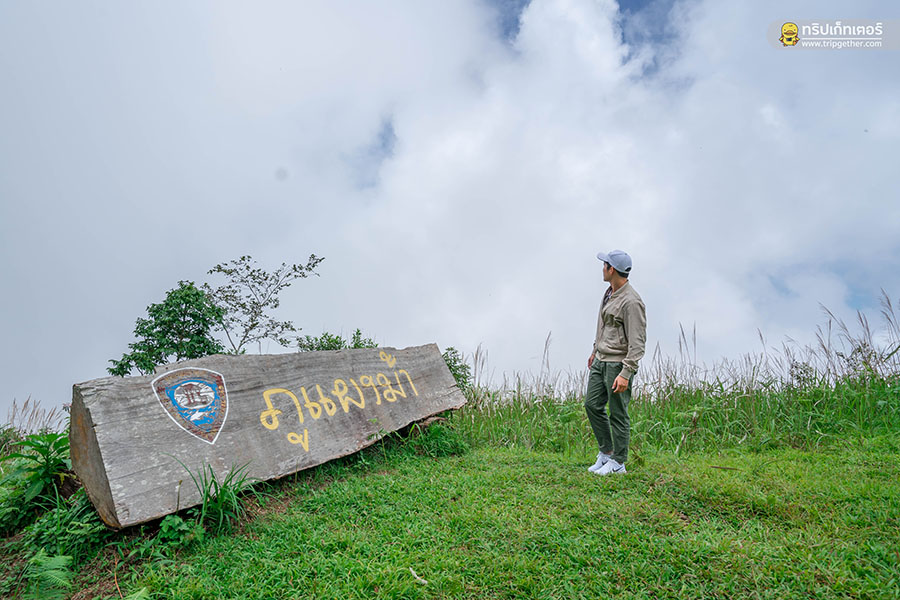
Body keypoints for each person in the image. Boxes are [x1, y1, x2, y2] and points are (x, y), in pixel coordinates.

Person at [584, 249, 646, 475]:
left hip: (617, 364)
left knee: (618, 413)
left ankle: (618, 462)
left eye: (605, 265)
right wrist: (595, 350)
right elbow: (604, 326)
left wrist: (626, 373)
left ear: (612, 270)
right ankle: (607, 452)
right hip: (601, 359)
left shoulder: (632, 302)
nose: (602, 268)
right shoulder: (609, 292)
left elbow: (638, 342)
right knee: (592, 405)